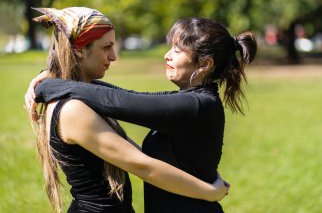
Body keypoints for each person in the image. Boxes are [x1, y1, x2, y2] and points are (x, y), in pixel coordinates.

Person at [28, 17, 257, 213]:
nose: (167, 55)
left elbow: (116, 101)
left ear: (205, 64)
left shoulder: (195, 106)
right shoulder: (192, 102)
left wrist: (47, 86)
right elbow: (116, 95)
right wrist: (52, 78)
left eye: (177, 51)